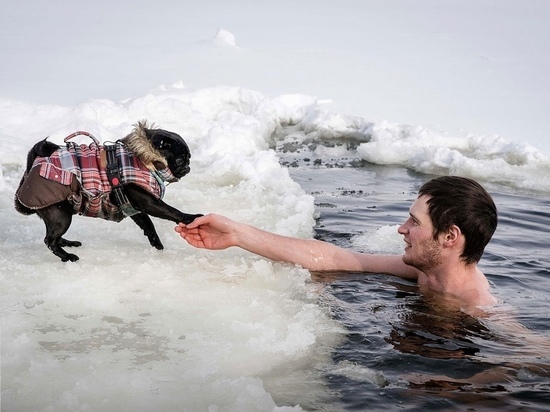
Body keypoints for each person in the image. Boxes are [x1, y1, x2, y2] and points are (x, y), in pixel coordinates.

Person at [175, 176, 498, 312]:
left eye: (415, 222)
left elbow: (526, 354)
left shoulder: (475, 305)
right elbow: (332, 257)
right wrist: (238, 234)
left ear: (449, 237)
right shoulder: (424, 272)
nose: (402, 229)